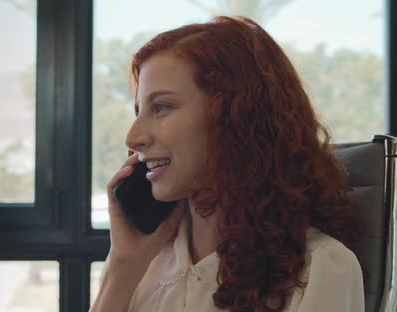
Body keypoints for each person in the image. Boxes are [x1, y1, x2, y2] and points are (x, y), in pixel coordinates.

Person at [90, 16, 365, 312]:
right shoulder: (140, 262)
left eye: (161, 107)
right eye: (138, 111)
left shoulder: (319, 269)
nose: (133, 137)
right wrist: (122, 268)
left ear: (234, 117)